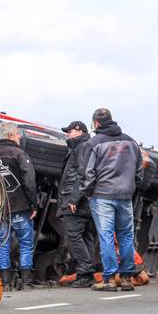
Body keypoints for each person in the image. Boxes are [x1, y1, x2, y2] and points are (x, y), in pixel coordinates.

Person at [77, 108, 143, 292]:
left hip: (102, 195)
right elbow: (139, 172)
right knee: (126, 236)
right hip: (125, 196)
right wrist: (131, 187)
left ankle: (109, 279)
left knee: (106, 236)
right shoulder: (131, 142)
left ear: (96, 123)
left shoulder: (94, 143)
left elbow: (87, 173)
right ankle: (127, 278)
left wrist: (87, 192)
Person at [0, 121, 39, 290]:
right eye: (17, 133)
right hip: (20, 207)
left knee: (3, 244)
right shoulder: (19, 154)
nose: (19, 136)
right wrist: (34, 204)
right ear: (11, 135)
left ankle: (5, 282)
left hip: (0, 208)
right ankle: (25, 282)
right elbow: (29, 180)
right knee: (26, 243)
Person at [58, 120, 96, 288]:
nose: (68, 134)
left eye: (70, 131)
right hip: (85, 200)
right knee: (86, 235)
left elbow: (83, 175)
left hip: (75, 201)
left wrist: (74, 198)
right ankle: (87, 272)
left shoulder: (81, 147)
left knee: (73, 236)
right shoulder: (82, 147)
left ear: (79, 131)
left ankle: (85, 272)